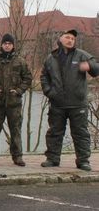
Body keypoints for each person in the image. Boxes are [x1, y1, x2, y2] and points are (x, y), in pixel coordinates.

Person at [40, 29, 99, 171]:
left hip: (77, 103)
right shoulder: (51, 58)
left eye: (72, 38)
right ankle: (53, 159)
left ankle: (83, 161)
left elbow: (96, 69)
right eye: (67, 37)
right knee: (54, 132)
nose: (70, 40)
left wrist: (90, 66)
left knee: (80, 133)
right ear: (60, 39)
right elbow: (44, 76)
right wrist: (49, 91)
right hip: (57, 102)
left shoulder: (81, 55)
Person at [0, 34, 32, 166]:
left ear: (13, 45)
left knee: (15, 129)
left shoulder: (20, 61)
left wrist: (19, 91)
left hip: (14, 103)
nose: (7, 45)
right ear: (1, 45)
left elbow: (28, 78)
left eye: (9, 43)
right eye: (5, 43)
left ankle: (17, 156)